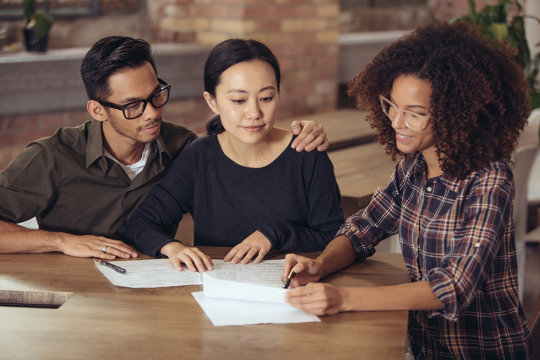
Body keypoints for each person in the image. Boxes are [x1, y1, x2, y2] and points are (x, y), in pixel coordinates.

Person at [282, 22, 533, 359]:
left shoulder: (488, 180)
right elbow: (362, 229)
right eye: (392, 106)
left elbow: (453, 285)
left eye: (415, 114)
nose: (397, 122)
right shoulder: (412, 168)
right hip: (422, 348)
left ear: (456, 115)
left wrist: (345, 299)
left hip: (482, 351)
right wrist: (320, 266)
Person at [0, 36, 328, 260]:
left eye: (156, 95)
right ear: (98, 110)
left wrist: (303, 131)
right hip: (71, 286)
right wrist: (60, 241)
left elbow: (232, 140)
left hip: (152, 287)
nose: (153, 112)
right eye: (133, 106)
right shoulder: (51, 157)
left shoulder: (184, 147)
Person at [125, 39, 344, 272]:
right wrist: (171, 247)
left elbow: (335, 237)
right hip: (216, 292)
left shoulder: (305, 153)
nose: (254, 113)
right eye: (238, 101)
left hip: (291, 288)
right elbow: (141, 223)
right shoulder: (199, 157)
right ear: (213, 102)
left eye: (266, 98)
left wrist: (275, 234)